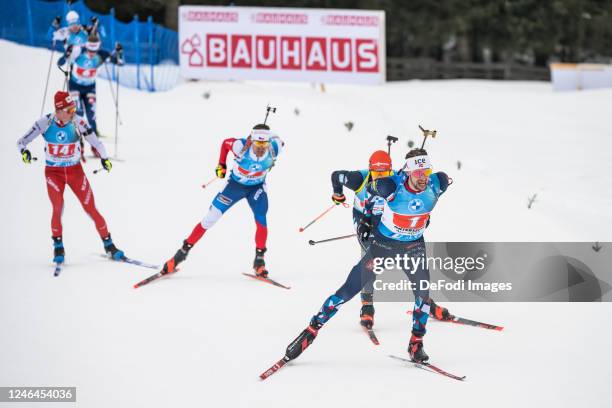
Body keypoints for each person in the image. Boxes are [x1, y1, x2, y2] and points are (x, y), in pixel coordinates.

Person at [282, 148, 451, 364]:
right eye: (417, 172)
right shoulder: (389, 185)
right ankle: (311, 331)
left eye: (426, 171)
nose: (423, 178)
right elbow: (369, 193)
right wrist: (365, 220)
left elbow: (429, 195)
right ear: (407, 171)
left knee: (423, 294)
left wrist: (423, 219)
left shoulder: (439, 183)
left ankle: (416, 342)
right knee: (347, 290)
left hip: (413, 248)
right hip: (384, 246)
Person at [160, 124, 284, 277]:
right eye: (258, 143)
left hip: (256, 188)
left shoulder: (274, 147)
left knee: (261, 219)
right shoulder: (240, 146)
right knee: (209, 219)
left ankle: (259, 262)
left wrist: (270, 138)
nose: (261, 148)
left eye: (264, 144)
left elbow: (279, 140)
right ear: (251, 140)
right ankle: (180, 255)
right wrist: (221, 165)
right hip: (234, 187)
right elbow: (225, 143)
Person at [16, 91, 124, 264]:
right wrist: (24, 152)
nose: (73, 111)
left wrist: (104, 158)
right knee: (58, 207)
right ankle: (58, 246)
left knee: (91, 208)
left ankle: (109, 245)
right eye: (69, 109)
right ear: (59, 110)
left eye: (73, 108)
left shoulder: (77, 121)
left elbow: (96, 142)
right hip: (54, 173)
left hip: (75, 172)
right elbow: (21, 142)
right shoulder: (45, 122)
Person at [329, 150, 394, 330]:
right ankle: (367, 305)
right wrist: (338, 194)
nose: (381, 177)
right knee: (371, 259)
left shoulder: (396, 179)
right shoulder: (359, 179)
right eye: (376, 173)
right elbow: (336, 176)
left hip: (386, 220)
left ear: (391, 170)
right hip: (363, 218)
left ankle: (426, 302)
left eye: (385, 173)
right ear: (370, 170)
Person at [57, 34, 123, 143]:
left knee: (91, 113)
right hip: (75, 86)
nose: (92, 53)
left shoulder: (102, 54)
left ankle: (94, 136)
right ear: (86, 46)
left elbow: (120, 63)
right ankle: (75, 137)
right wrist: (66, 54)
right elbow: (59, 63)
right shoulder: (78, 51)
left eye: (95, 50)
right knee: (78, 112)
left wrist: (119, 53)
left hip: (90, 87)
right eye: (89, 50)